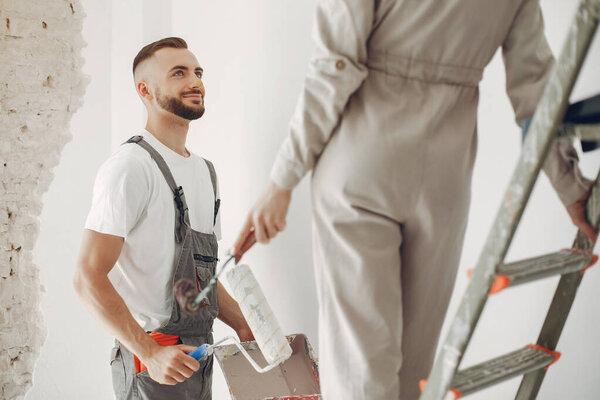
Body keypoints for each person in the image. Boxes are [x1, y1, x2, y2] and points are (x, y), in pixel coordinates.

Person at [235, 1, 597, 399]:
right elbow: (537, 92)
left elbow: (334, 67)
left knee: (361, 373)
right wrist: (571, 186)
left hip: (361, 165)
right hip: (444, 176)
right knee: (414, 372)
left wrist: (282, 180)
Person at [74, 37, 253, 400]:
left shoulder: (206, 173)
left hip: (198, 359)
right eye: (178, 73)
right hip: (151, 365)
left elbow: (201, 281)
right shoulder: (130, 167)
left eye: (197, 72)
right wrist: (150, 353)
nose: (195, 81)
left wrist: (247, 327)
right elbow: (86, 277)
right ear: (145, 90)